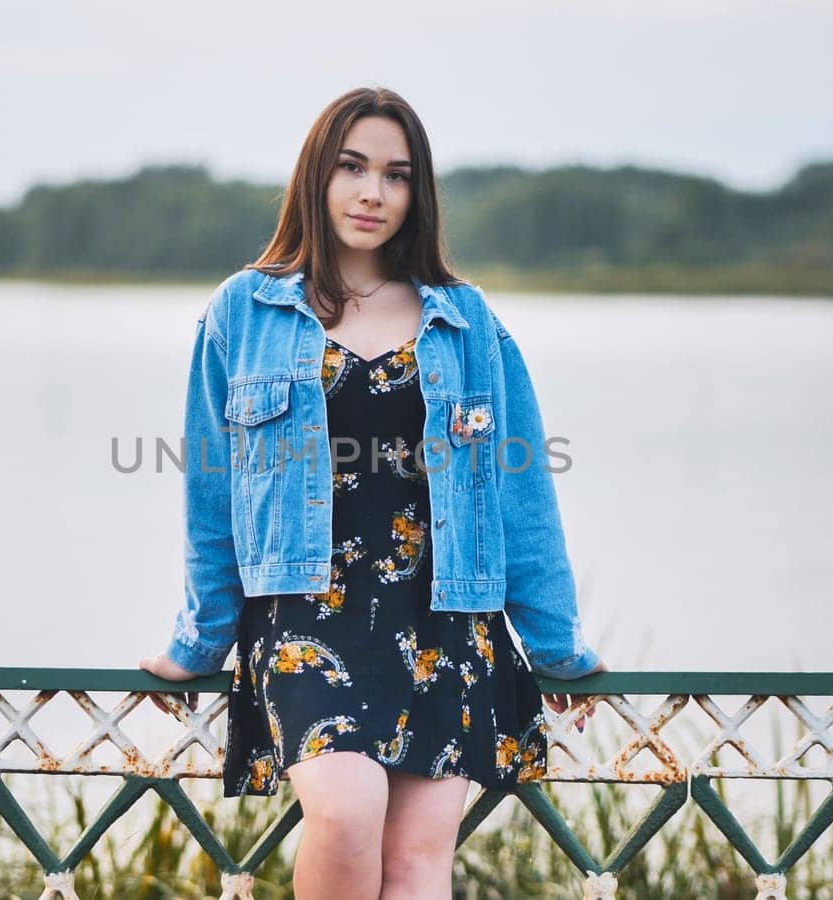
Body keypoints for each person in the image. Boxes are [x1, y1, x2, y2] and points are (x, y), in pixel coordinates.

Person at [136, 86, 606, 899]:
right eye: (353, 168)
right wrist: (198, 642)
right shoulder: (244, 310)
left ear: (416, 194)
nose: (372, 194)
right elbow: (213, 496)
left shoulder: (464, 322)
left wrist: (558, 647)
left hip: (446, 617)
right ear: (317, 177)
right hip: (304, 616)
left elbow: (520, 498)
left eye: (396, 175)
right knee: (346, 812)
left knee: (419, 862)